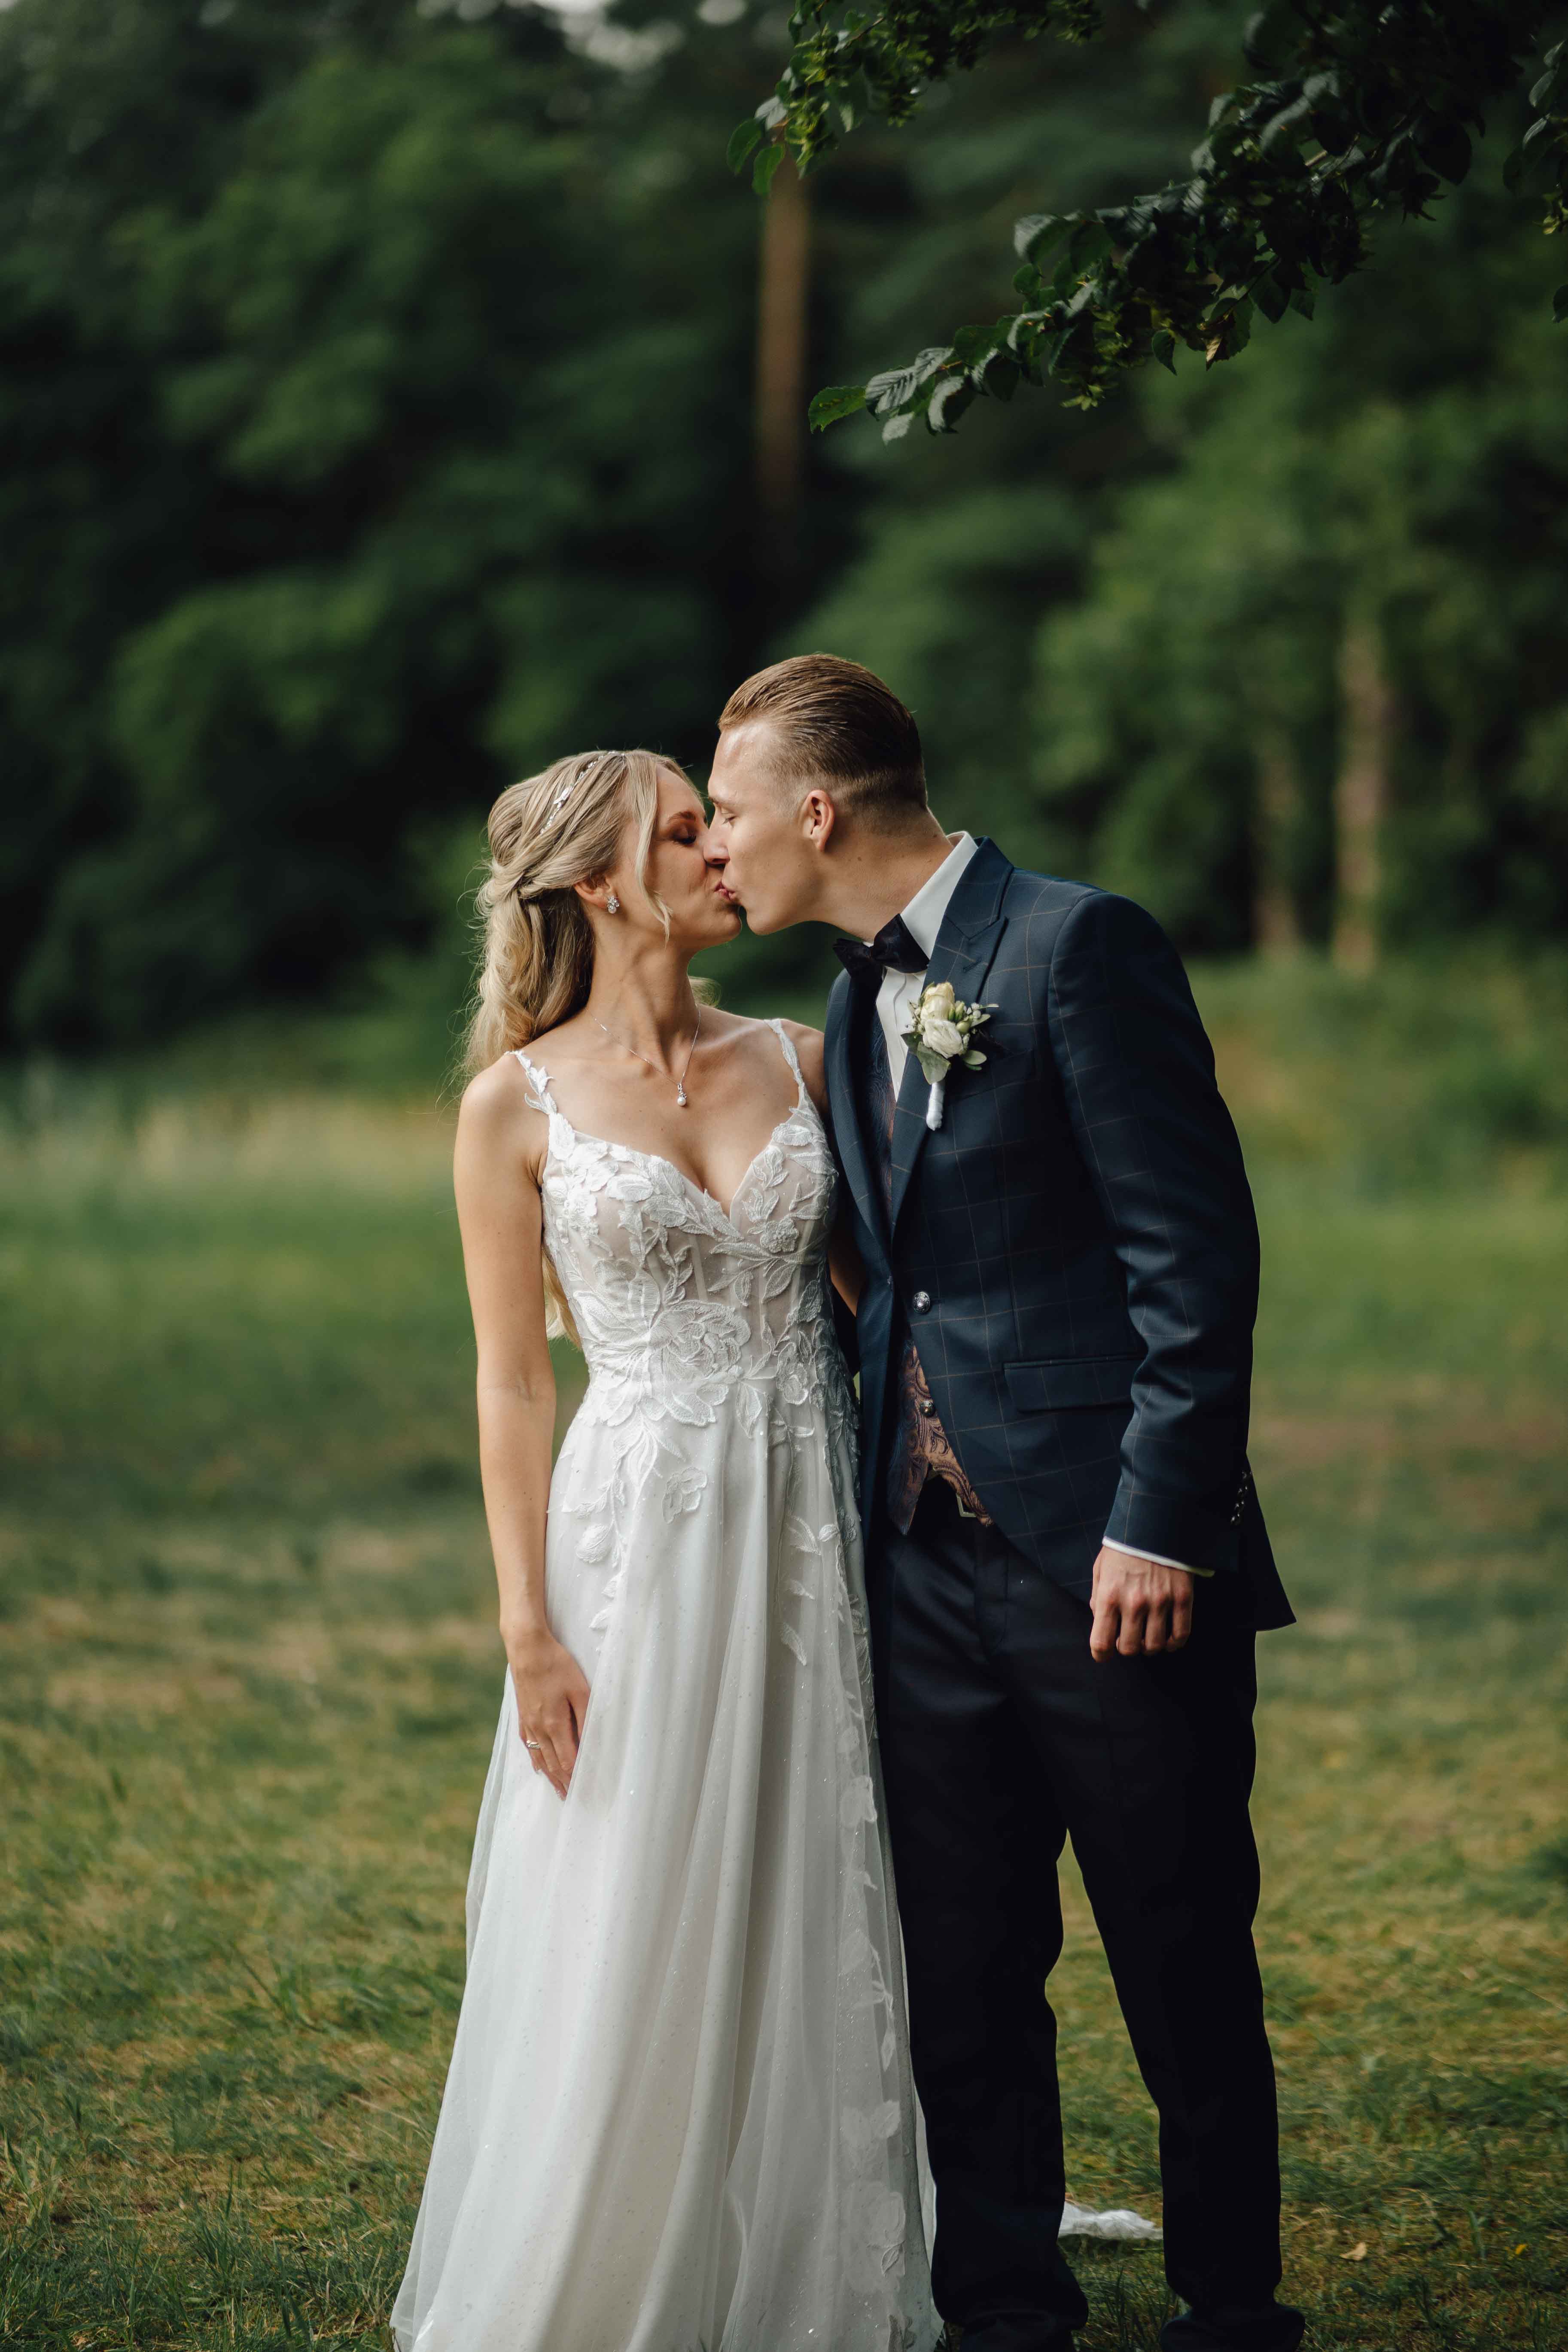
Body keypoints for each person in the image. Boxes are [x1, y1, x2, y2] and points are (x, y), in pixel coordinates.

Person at [705, 654, 1304, 2352]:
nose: (715, 844)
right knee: (963, 1964)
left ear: (817, 808)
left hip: (1106, 1555)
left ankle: (1231, 2304)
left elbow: (1193, 1264)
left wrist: (1160, 1522)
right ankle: (1004, 2308)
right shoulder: (843, 996)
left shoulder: (1071, 945)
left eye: (731, 810)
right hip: (916, 1562)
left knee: (1178, 1934)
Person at [390, 747, 938, 2352]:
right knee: (632, 1871)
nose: (720, 853)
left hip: (807, 1511)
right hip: (628, 1534)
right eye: (683, 834)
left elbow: (881, 1297)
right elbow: (508, 1377)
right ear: (597, 884)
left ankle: (800, 2252)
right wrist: (526, 1627)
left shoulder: (803, 1047)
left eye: (716, 825)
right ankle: (608, 2242)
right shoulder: (517, 1106)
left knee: (805, 1847)